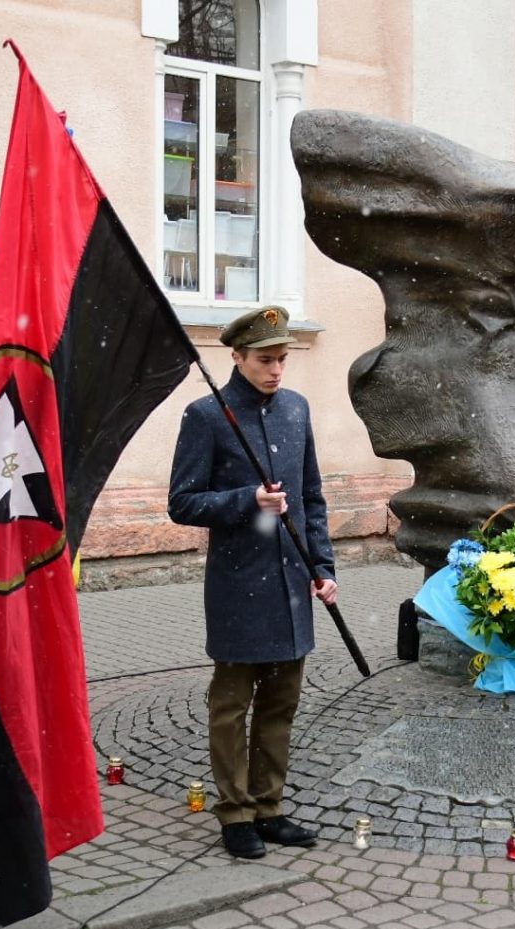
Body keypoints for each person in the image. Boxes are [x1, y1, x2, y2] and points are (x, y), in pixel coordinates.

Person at [168, 305, 338, 859]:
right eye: (265, 360)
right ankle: (235, 813)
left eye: (282, 359)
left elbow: (312, 497)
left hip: (292, 582)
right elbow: (182, 503)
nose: (276, 370)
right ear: (237, 357)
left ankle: (269, 807)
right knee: (231, 705)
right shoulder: (207, 416)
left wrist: (323, 568)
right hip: (238, 585)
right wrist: (248, 501)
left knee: (280, 704)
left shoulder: (295, 410)